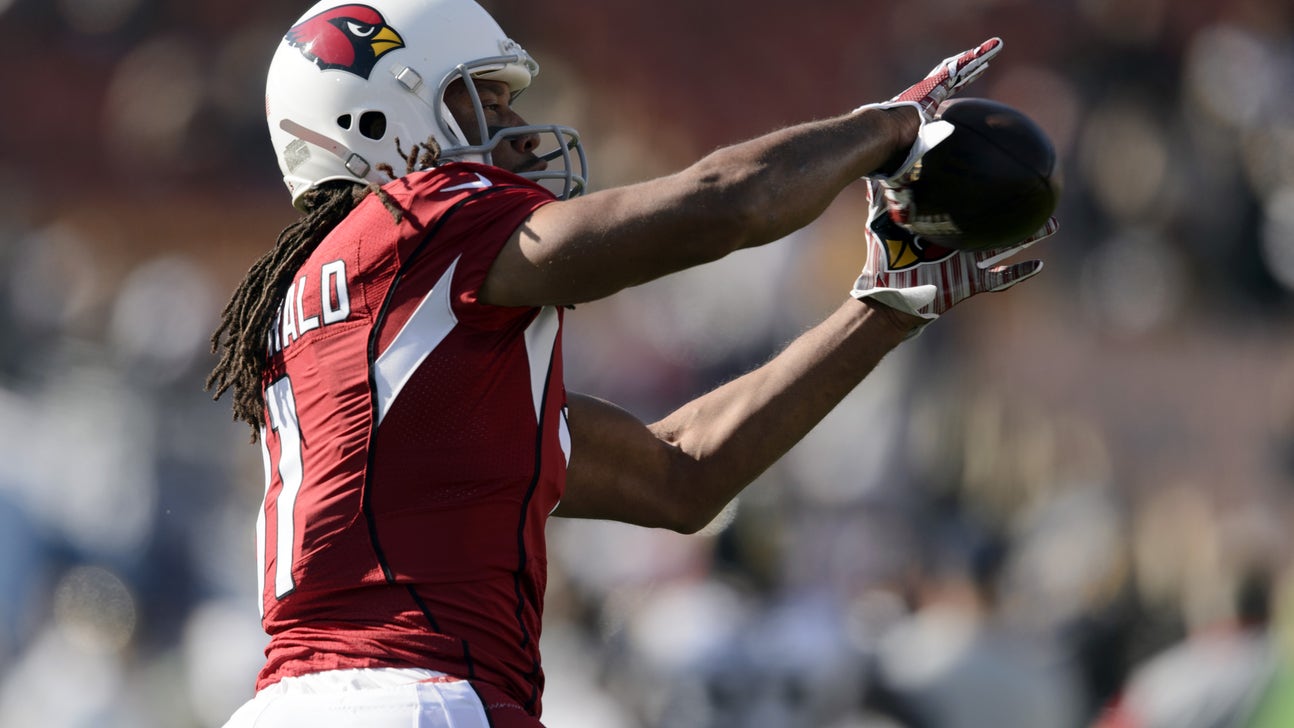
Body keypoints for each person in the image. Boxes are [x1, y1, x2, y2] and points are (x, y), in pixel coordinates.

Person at [206, 1, 1056, 725]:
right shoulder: (415, 220)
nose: (506, 135)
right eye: (480, 105)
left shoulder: (350, 323)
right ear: (377, 122)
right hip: (416, 697)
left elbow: (680, 475)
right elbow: (722, 205)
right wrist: (890, 130)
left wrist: (883, 307)